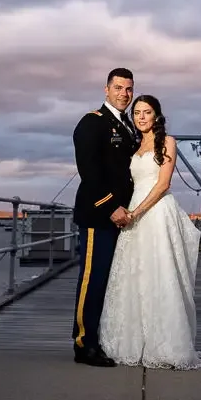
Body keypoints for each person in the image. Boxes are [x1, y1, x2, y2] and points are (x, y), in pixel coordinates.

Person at [99, 94, 201, 370]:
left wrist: (136, 213)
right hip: (134, 209)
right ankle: (133, 340)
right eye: (137, 113)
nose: (141, 117)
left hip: (155, 211)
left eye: (147, 112)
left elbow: (162, 185)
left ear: (157, 115)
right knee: (134, 274)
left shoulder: (167, 142)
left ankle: (166, 343)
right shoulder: (134, 146)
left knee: (161, 273)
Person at [70, 67, 139, 367]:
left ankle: (102, 339)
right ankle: (84, 343)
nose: (124, 94)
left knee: (112, 282)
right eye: (119, 88)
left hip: (124, 218)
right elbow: (90, 172)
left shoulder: (127, 126)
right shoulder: (92, 123)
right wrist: (110, 206)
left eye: (129, 89)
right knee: (93, 280)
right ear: (106, 89)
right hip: (99, 216)